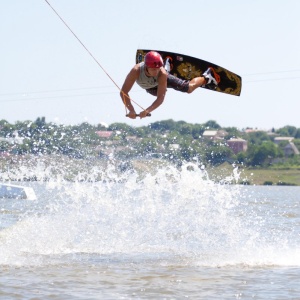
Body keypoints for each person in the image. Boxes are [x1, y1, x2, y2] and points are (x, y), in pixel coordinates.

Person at [120, 51, 220, 119]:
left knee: (188, 88)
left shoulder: (161, 73)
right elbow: (124, 92)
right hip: (150, 88)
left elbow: (160, 99)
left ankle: (207, 76)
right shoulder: (136, 71)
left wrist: (147, 110)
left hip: (161, 80)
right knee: (156, 93)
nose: (156, 71)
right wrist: (131, 110)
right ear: (147, 67)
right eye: (153, 69)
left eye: (158, 68)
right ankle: (167, 64)